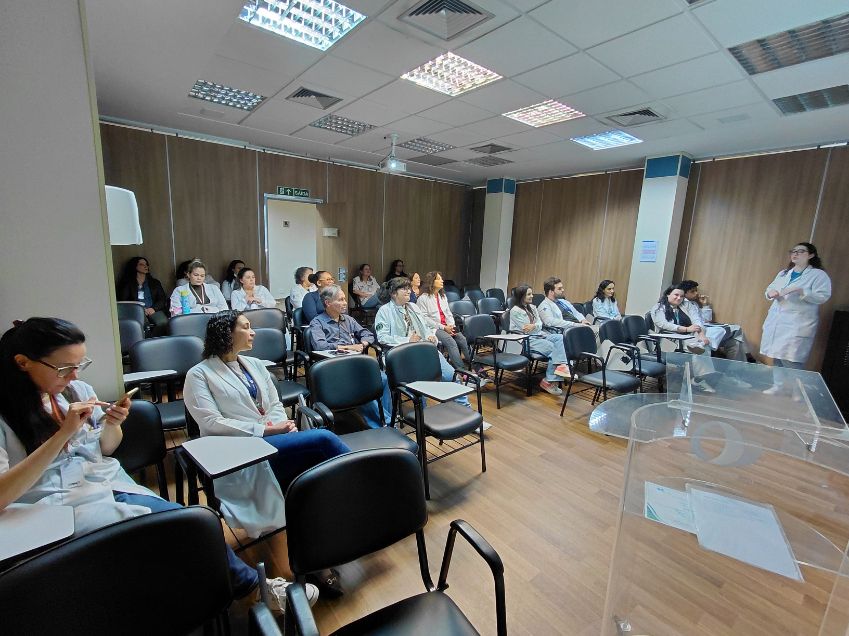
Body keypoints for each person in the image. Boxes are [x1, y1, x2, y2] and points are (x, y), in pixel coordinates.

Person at [0, 317, 265, 602]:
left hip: (105, 485)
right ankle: (240, 589)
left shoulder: (77, 392)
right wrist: (62, 435)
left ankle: (244, 587)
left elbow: (106, 449)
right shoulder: (6, 415)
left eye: (79, 365)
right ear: (23, 363)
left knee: (193, 524)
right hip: (48, 509)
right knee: (157, 544)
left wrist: (113, 424)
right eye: (64, 369)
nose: (74, 376)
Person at [375, 277, 471, 408]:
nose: (409, 291)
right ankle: (422, 415)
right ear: (393, 293)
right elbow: (382, 337)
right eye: (404, 289)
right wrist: (407, 340)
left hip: (424, 350)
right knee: (419, 387)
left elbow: (426, 327)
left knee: (451, 375)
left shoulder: (413, 307)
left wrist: (431, 336)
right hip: (402, 355)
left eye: (409, 288)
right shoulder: (384, 311)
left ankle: (465, 408)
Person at [308, 285, 392, 427]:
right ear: (328, 303)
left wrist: (363, 343)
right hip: (334, 368)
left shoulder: (348, 320)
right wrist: (348, 347)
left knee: (383, 379)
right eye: (340, 300)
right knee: (366, 384)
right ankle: (385, 423)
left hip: (355, 364)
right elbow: (320, 346)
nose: (345, 303)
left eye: (344, 299)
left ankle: (385, 417)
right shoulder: (317, 322)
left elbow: (367, 334)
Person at [761, 242, 832, 394]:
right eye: (793, 251)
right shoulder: (784, 273)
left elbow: (823, 296)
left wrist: (801, 290)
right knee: (777, 356)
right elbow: (770, 288)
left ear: (811, 255)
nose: (795, 254)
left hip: (798, 323)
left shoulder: (818, 275)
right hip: (778, 321)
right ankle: (778, 386)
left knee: (792, 359)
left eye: (800, 251)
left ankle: (799, 392)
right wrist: (770, 293)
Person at [509, 285, 571, 395]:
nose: (532, 296)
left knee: (560, 337)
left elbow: (539, 324)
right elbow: (526, 329)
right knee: (554, 349)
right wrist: (535, 326)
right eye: (529, 294)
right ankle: (551, 380)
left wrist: (534, 326)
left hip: (539, 334)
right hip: (527, 340)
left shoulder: (533, 307)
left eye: (531, 293)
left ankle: (560, 367)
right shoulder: (515, 311)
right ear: (521, 296)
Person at [417, 271, 473, 372]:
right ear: (432, 282)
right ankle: (462, 371)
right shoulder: (423, 298)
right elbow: (424, 319)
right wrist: (443, 327)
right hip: (434, 328)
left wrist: (451, 325)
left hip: (447, 326)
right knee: (451, 342)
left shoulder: (442, 296)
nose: (442, 281)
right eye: (439, 279)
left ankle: (473, 365)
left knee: (462, 339)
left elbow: (448, 313)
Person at [679, 280, 745, 361]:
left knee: (735, 341)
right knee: (724, 330)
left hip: (704, 327)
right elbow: (696, 321)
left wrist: (705, 305)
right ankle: (703, 344)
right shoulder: (683, 304)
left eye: (696, 290)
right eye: (692, 291)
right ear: (684, 293)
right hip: (696, 330)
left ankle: (739, 366)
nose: (696, 293)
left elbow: (706, 320)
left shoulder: (694, 303)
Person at [115, 256, 168, 334]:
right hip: (136, 310)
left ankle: (154, 339)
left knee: (163, 322)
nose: (145, 266)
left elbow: (162, 299)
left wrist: (153, 309)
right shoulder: (127, 283)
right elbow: (123, 300)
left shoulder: (155, 282)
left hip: (153, 309)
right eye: (141, 264)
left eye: (146, 264)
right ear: (134, 266)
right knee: (143, 325)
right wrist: (140, 309)